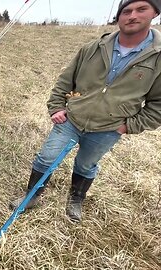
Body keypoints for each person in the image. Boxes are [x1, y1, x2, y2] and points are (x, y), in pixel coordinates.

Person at [10, 0, 161, 222]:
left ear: (154, 13)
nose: (132, 16)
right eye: (126, 11)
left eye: (141, 9)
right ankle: (32, 196)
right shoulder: (93, 48)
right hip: (71, 120)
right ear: (118, 16)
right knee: (46, 157)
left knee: (86, 164)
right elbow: (65, 81)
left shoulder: (157, 58)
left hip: (108, 129)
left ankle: (75, 200)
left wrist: (128, 126)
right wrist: (56, 107)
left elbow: (158, 105)